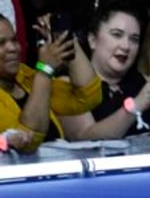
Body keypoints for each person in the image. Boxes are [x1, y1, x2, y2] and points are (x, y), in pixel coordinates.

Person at [59, 1, 150, 144]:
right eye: (117, 35)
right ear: (92, 40)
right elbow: (84, 137)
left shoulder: (145, 82)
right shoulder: (67, 84)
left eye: (134, 39)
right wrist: (136, 105)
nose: (126, 46)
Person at [0, 12, 101, 153]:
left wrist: (63, 37)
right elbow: (29, 139)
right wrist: (45, 71)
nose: (13, 48)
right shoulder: (40, 75)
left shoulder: (24, 77)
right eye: (1, 43)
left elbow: (88, 97)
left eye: (14, 40)